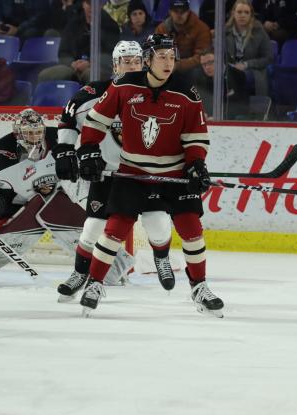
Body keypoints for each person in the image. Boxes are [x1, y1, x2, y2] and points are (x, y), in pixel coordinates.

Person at [75, 34, 224, 317]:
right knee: (114, 229)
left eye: (171, 57)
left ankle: (200, 287)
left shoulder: (186, 92)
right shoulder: (124, 86)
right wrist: (89, 150)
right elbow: (96, 121)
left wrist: (196, 164)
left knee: (192, 230)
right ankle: (94, 284)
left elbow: (196, 136)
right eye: (161, 57)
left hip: (175, 172)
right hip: (133, 172)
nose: (168, 63)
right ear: (147, 60)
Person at [53, 40, 176, 303]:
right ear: (115, 65)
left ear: (143, 63)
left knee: (158, 223)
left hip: (146, 173)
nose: (131, 66)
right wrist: (65, 150)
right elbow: (68, 118)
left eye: (135, 61)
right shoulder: (93, 92)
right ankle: (79, 273)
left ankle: (162, 258)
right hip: (108, 175)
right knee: (92, 227)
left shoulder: (158, 93)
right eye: (125, 61)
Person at [0, 109, 86, 286]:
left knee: (75, 222)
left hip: (51, 197)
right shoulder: (0, 152)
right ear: (18, 132)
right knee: (16, 241)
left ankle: (105, 266)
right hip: (12, 204)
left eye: (38, 132)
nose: (34, 137)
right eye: (29, 133)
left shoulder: (58, 138)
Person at [38, 0, 119, 83]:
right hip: (73, 67)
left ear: (102, 5)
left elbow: (110, 54)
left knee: (90, 75)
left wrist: (89, 63)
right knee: (45, 75)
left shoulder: (110, 25)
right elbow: (63, 52)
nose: (92, 8)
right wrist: (72, 63)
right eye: (88, 3)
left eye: (95, 4)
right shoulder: (74, 23)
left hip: (98, 67)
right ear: (83, 4)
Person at [224, 0, 273, 96]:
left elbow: (268, 58)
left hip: (252, 70)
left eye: (246, 12)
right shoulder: (225, 32)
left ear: (251, 15)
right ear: (233, 13)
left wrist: (246, 65)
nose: (243, 15)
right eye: (239, 12)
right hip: (229, 69)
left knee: (235, 77)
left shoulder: (259, 31)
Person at [155, 0, 212, 74]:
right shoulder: (162, 29)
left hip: (193, 69)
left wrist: (177, 65)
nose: (179, 15)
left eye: (182, 11)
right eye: (176, 11)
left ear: (188, 11)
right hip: (169, 66)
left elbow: (201, 57)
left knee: (197, 71)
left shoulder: (201, 28)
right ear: (170, 12)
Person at [193, 48, 249, 119]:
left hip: (229, 120)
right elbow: (199, 102)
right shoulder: (200, 77)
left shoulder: (237, 75)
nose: (207, 67)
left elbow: (242, 107)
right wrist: (202, 114)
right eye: (204, 64)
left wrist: (218, 117)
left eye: (210, 62)